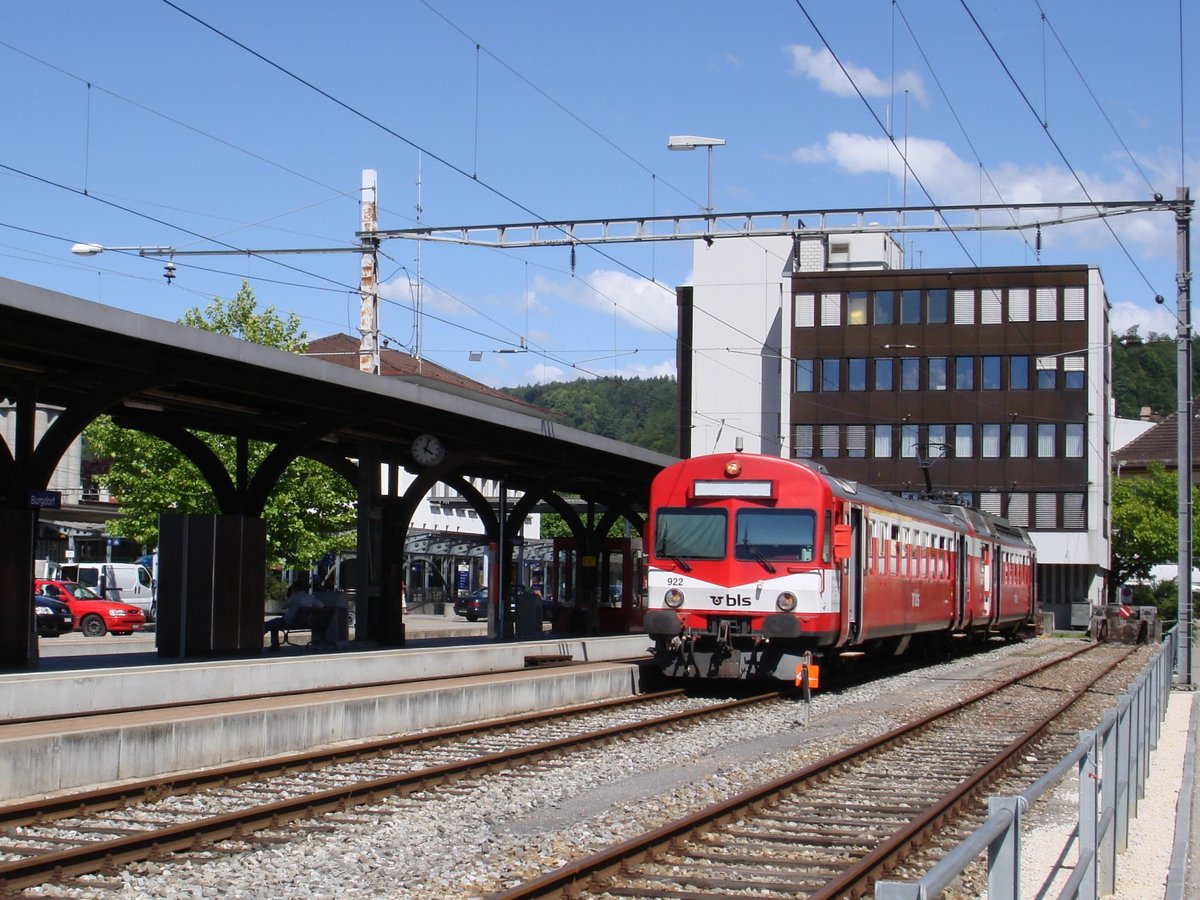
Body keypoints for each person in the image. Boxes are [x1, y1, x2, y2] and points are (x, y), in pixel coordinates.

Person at [264, 586, 335, 651]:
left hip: (290, 622)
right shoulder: (310, 598)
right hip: (305, 623)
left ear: (294, 590)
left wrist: (291, 596)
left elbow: (284, 606)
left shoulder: (294, 597)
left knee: (270, 624)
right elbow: (321, 605)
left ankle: (271, 644)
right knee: (274, 623)